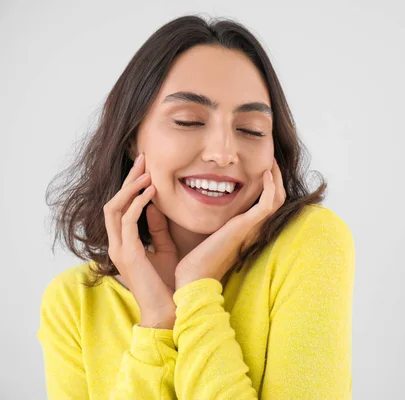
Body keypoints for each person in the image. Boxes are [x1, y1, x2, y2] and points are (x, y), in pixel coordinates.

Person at [37, 14, 355, 399]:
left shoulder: (309, 243)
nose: (223, 153)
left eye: (252, 129)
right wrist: (157, 323)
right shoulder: (74, 302)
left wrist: (196, 292)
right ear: (131, 139)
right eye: (188, 121)